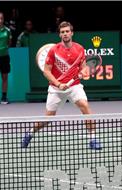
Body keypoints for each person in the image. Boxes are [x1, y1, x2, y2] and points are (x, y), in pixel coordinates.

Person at [21, 22, 102, 150]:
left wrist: (84, 71)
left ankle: (93, 139)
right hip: (56, 88)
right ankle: (29, 134)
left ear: (71, 33)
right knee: (48, 118)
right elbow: (46, 71)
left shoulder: (80, 49)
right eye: (62, 32)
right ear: (60, 34)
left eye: (67, 31)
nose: (65, 34)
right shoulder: (54, 50)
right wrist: (58, 84)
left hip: (74, 86)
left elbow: (83, 67)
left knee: (85, 107)